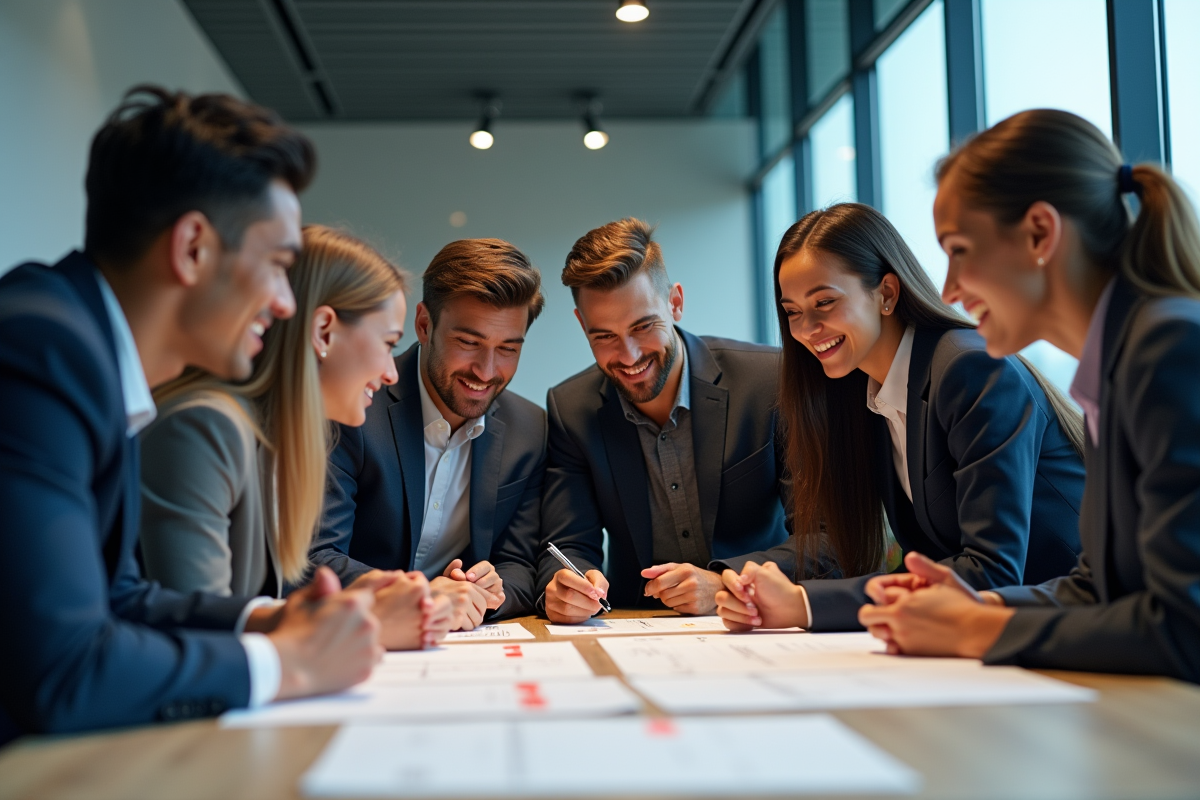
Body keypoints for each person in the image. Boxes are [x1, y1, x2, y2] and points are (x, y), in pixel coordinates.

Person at [0, 86, 383, 741]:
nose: (286, 303)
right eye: (277, 265)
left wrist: (265, 621)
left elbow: (121, 599)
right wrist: (285, 663)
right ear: (194, 248)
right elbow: (64, 669)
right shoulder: (42, 354)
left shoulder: (85, 349)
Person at [855, 109, 1200, 683]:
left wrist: (972, 631)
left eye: (959, 250)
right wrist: (978, 607)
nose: (948, 289)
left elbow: (1186, 627)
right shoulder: (1117, 364)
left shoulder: (1168, 348)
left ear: (1040, 232)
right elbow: (1098, 588)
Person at [714, 203, 1085, 633]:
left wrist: (805, 604)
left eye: (825, 302)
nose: (806, 329)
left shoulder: (970, 369)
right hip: (995, 639)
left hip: (1078, 633)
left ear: (887, 293)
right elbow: (933, 567)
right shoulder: (863, 394)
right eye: (793, 311)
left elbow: (991, 574)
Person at [140, 225, 453, 650]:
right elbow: (202, 636)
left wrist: (365, 597)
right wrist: (368, 623)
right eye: (387, 343)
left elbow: (263, 603)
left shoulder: (278, 442)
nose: (391, 373)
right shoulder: (206, 428)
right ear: (323, 331)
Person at [539, 218, 795, 623]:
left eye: (643, 326)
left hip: (759, 620)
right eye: (603, 336)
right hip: (632, 627)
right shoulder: (571, 409)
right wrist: (566, 584)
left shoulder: (768, 381)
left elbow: (822, 539)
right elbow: (568, 544)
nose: (627, 356)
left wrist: (726, 582)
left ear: (675, 303)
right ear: (580, 324)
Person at [311, 238, 548, 627]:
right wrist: (421, 593)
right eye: (468, 343)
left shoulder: (529, 429)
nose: (486, 371)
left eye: (508, 348)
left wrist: (488, 589)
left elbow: (520, 564)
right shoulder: (353, 405)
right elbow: (316, 556)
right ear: (424, 325)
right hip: (358, 631)